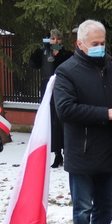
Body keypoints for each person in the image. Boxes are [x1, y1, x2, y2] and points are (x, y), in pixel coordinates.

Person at [53, 19, 112, 224]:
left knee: (106, 207)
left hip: (108, 148)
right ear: (80, 44)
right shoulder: (66, 71)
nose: (100, 47)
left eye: (103, 42)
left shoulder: (109, 66)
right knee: (83, 209)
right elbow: (65, 110)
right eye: (94, 44)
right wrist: (105, 113)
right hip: (82, 151)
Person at [29, 29, 73, 168]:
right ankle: (57, 154)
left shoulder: (67, 55)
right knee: (51, 123)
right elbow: (33, 64)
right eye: (53, 39)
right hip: (48, 92)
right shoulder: (44, 53)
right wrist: (43, 49)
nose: (55, 41)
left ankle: (68, 152)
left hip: (63, 92)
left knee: (63, 122)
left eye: (58, 39)